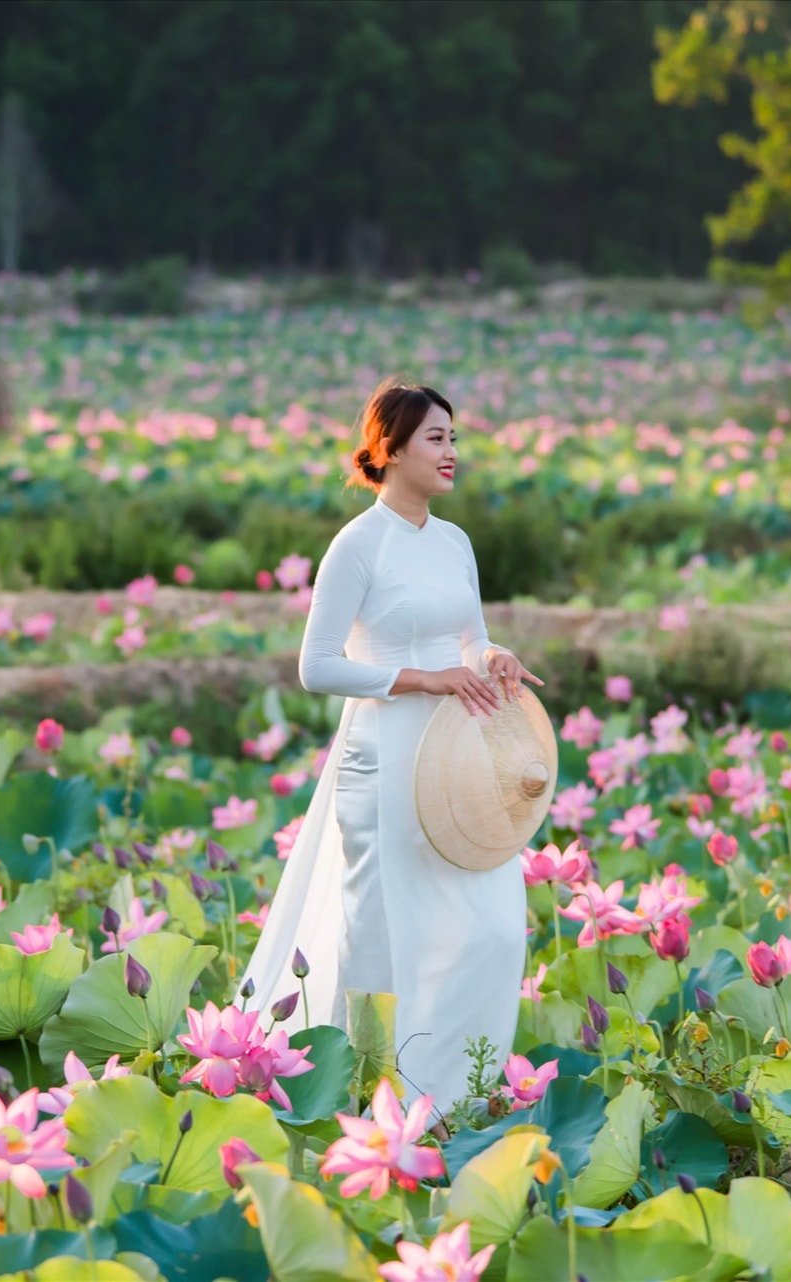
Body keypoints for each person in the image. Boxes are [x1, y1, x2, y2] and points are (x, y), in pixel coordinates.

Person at [236, 378, 542, 1135]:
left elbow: (471, 638)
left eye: (454, 439)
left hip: (459, 761)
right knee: (381, 936)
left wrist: (493, 655)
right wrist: (419, 677)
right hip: (382, 759)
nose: (451, 453)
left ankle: (454, 1093)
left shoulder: (454, 542)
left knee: (494, 926)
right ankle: (364, 1097)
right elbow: (317, 666)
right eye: (436, 439)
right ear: (390, 448)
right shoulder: (357, 545)